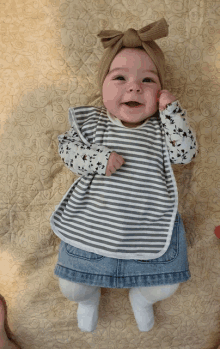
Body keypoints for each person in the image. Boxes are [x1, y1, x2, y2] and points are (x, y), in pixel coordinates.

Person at [50, 18, 199, 332]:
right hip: (94, 227)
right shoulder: (95, 122)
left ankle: (142, 297)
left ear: (160, 90)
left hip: (148, 229)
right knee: (70, 288)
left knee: (165, 286)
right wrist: (98, 158)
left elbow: (184, 154)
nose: (134, 86)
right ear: (101, 87)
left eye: (148, 80)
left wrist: (172, 112)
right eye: (120, 77)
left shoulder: (162, 127)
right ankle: (88, 298)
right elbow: (66, 148)